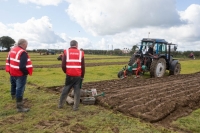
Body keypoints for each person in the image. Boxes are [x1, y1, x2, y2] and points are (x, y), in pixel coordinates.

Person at [5, 39, 33, 112]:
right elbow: (22, 66)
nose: (27, 46)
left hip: (12, 72)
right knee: (20, 88)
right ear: (23, 44)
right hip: (20, 74)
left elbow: (9, 61)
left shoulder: (12, 50)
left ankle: (14, 97)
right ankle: (19, 107)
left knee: (13, 85)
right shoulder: (23, 52)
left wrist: (10, 70)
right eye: (26, 44)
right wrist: (26, 72)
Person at [58, 40, 85, 111]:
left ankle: (60, 105)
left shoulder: (66, 52)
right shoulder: (81, 53)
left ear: (70, 45)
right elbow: (83, 66)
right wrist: (82, 76)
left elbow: (63, 65)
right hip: (78, 75)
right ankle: (75, 107)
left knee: (66, 89)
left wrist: (67, 72)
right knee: (77, 91)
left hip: (69, 75)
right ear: (76, 45)